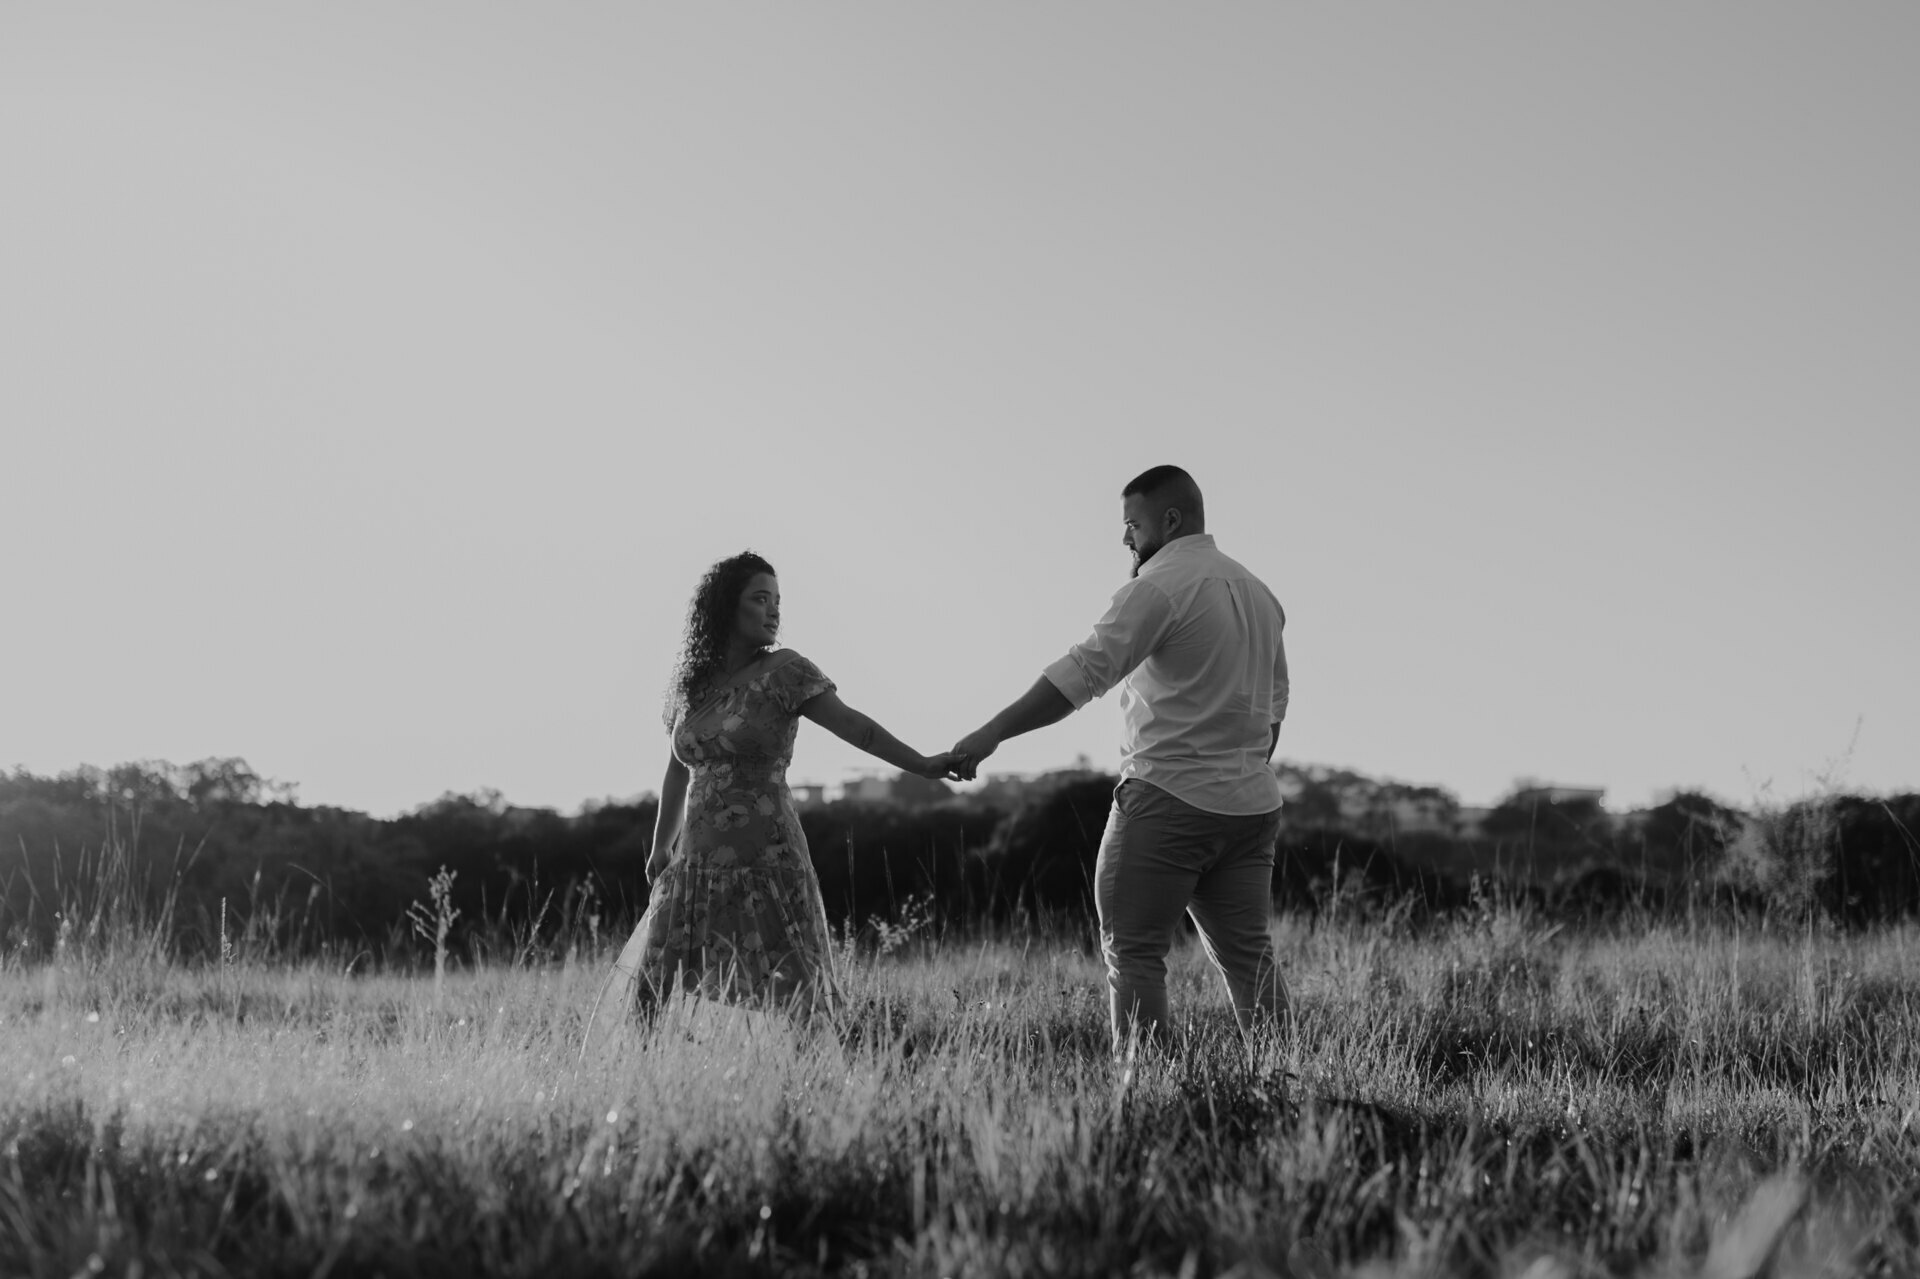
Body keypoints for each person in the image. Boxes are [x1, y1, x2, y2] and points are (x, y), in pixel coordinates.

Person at [951, 465, 1289, 1053]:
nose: (1125, 539)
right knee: (1250, 960)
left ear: (1170, 521)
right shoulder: (1260, 594)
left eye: (1132, 524)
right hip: (1250, 809)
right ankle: (1291, 1095)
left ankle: (1149, 1105)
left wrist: (991, 734)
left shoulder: (1158, 587)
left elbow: (1083, 673)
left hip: (1166, 802)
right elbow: (1275, 710)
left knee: (1133, 954)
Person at [602, 550, 957, 1028]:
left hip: (766, 858)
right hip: (695, 863)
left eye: (777, 600)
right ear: (727, 607)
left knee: (797, 989)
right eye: (760, 599)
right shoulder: (694, 685)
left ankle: (815, 1087)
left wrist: (925, 764)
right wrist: (660, 847)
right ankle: (642, 1085)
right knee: (654, 981)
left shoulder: (786, 671)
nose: (774, 611)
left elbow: (857, 728)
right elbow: (677, 770)